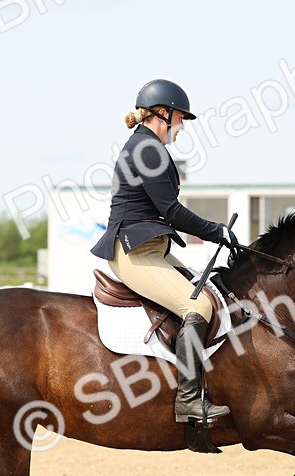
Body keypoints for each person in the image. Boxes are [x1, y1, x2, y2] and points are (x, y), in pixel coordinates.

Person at [90, 79, 238, 426]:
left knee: (209, 293)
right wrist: (218, 231)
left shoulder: (146, 147)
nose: (182, 126)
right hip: (135, 251)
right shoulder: (148, 149)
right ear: (163, 113)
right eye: (180, 118)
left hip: (149, 247)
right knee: (197, 305)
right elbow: (171, 211)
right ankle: (188, 401)